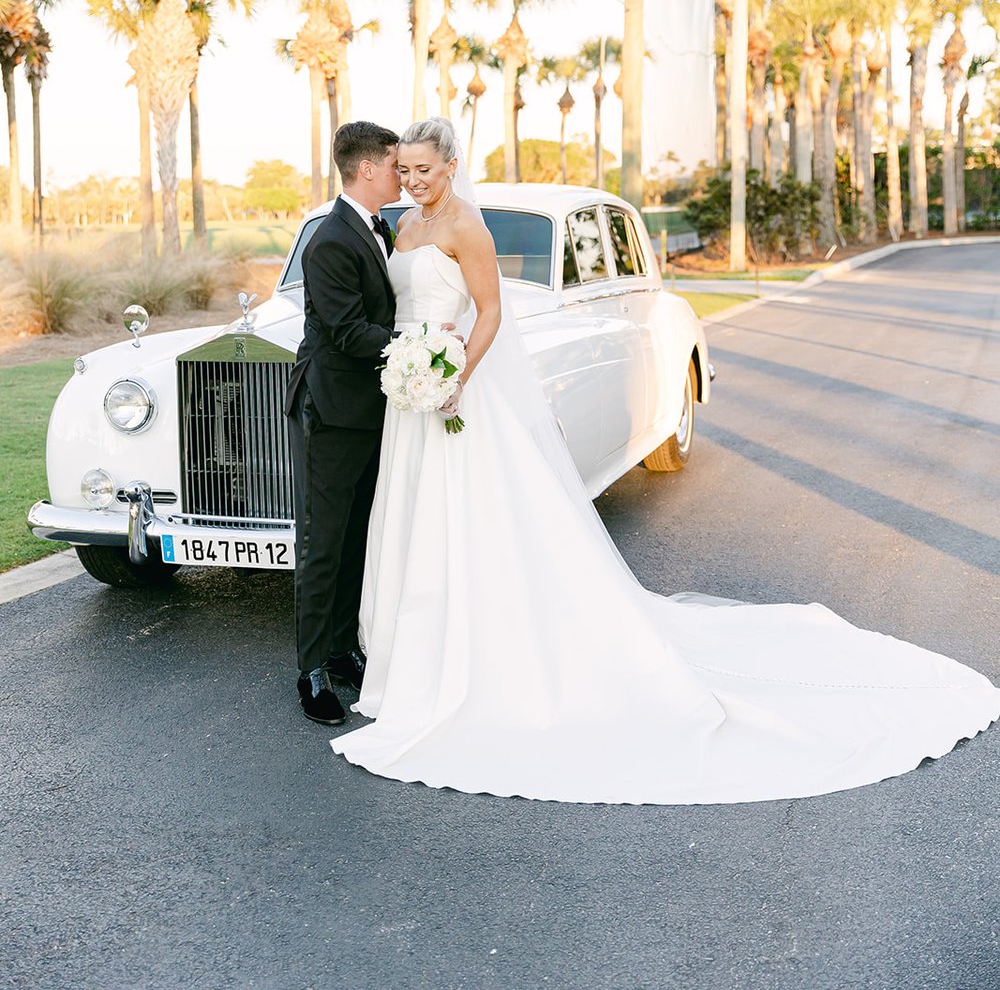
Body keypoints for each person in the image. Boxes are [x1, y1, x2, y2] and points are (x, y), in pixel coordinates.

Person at [328, 116, 1000, 803]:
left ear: (450, 165)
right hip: (410, 394)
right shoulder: (401, 226)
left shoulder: (467, 224)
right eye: (403, 170)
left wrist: (454, 377)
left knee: (474, 525)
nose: (412, 182)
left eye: (424, 170)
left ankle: (479, 661)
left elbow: (491, 311)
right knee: (411, 521)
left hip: (451, 393)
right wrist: (417, 368)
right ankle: (410, 666)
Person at [284, 121, 402, 726]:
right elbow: (348, 332)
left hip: (373, 409)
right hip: (331, 410)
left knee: (357, 534)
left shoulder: (382, 229)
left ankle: (342, 649)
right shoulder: (331, 240)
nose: (401, 174)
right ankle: (310, 672)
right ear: (366, 170)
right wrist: (418, 343)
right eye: (394, 165)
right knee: (323, 543)